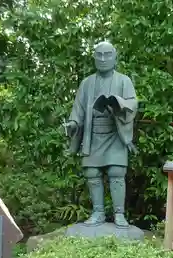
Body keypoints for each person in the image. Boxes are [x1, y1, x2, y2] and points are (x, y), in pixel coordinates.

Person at [62, 41, 138, 228]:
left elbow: (133, 104)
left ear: (115, 57)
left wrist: (118, 104)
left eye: (107, 55)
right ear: (94, 58)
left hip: (115, 133)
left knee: (116, 171)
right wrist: (72, 124)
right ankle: (98, 212)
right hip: (93, 134)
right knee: (92, 172)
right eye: (99, 55)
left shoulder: (124, 81)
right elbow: (78, 109)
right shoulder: (87, 83)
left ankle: (119, 214)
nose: (103, 59)